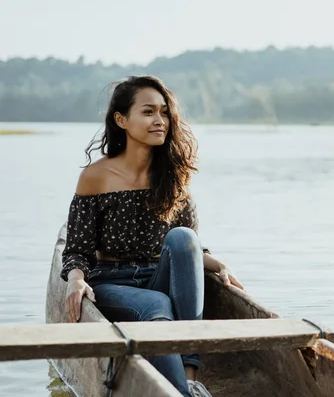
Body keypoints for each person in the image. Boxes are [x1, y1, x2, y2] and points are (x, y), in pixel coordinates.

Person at [60, 75, 244, 397]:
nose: (159, 121)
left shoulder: (174, 176)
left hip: (159, 274)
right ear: (121, 120)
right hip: (113, 283)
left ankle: (188, 378)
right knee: (156, 304)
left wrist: (217, 264)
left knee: (183, 236)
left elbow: (189, 247)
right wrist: (76, 279)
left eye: (163, 112)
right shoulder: (95, 177)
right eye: (148, 112)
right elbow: (77, 249)